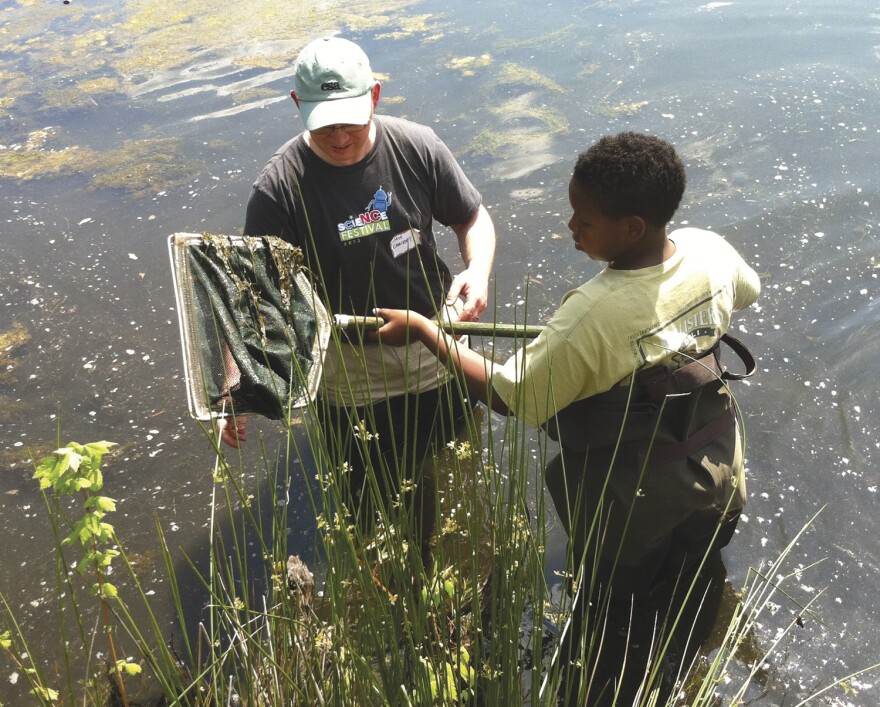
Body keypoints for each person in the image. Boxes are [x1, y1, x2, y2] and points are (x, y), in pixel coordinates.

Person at [375, 131, 761, 704]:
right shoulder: (707, 249)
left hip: (640, 497)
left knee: (616, 613)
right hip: (718, 464)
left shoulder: (593, 313)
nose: (571, 229)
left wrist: (429, 333)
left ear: (631, 227)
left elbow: (511, 396)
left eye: (584, 221)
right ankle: (691, 669)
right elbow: (746, 292)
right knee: (695, 574)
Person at [221, 36, 496, 549]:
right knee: (367, 512)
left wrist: (476, 271)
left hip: (438, 343)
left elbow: (471, 216)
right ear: (297, 105)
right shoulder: (279, 187)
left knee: (457, 483)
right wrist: (238, 388)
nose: (340, 136)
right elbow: (251, 294)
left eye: (349, 118)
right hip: (349, 371)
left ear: (375, 94)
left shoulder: (417, 146)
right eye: (324, 122)